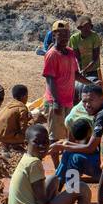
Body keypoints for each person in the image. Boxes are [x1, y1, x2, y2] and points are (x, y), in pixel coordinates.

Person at [9, 124, 99, 204]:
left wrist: (64, 199)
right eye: (37, 142)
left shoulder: (28, 159)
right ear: (26, 143)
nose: (42, 146)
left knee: (54, 179)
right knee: (82, 188)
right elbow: (42, 201)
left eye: (45, 142)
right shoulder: (35, 163)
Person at [42, 19, 81, 164]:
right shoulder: (52, 54)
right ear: (54, 35)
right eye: (61, 34)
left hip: (68, 100)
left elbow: (75, 74)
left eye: (67, 34)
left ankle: (65, 164)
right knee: (54, 136)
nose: (64, 37)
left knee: (67, 133)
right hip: (55, 102)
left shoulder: (70, 53)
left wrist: (91, 83)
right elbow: (50, 79)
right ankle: (57, 167)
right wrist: (57, 102)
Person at [0, 84, 31, 150]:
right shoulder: (22, 108)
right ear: (24, 96)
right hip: (2, 137)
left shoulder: (9, 104)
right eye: (27, 96)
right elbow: (23, 128)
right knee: (27, 135)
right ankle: (10, 143)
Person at [69, 15, 103, 83]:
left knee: (96, 87)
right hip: (80, 69)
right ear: (80, 28)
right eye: (85, 27)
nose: (87, 29)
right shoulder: (74, 38)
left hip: (94, 69)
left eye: (89, 27)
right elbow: (76, 56)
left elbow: (95, 57)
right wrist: (80, 69)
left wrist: (85, 70)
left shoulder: (95, 37)